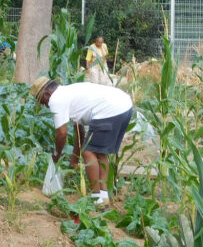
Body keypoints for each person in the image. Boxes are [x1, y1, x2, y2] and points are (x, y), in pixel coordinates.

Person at [29, 76, 134, 205]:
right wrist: (74, 160)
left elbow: (61, 134)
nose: (44, 105)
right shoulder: (69, 93)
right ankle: (103, 196)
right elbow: (80, 132)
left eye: (42, 101)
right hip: (125, 106)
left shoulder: (55, 100)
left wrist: (57, 154)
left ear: (47, 94)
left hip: (110, 110)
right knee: (99, 153)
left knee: (89, 152)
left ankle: (96, 198)